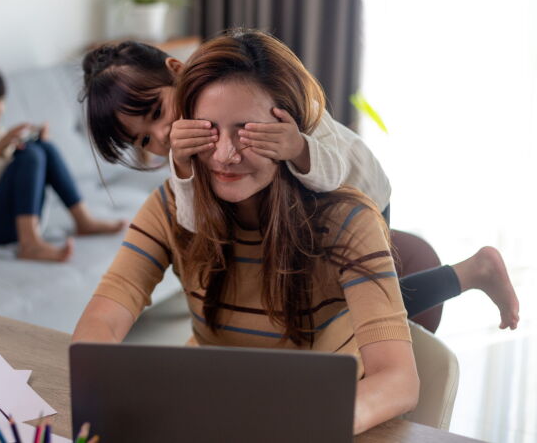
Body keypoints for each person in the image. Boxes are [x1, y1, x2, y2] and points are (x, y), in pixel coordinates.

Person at [74, 30, 421, 434]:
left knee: (394, 303)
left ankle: (462, 275)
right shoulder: (171, 203)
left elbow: (398, 379)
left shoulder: (346, 213)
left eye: (245, 130)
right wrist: (101, 388)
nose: (224, 154)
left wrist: (308, 425)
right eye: (208, 131)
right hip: (212, 410)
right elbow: (103, 318)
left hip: (320, 408)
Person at [79, 35, 519, 330]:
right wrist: (181, 164)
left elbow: (337, 164)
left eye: (157, 112)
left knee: (353, 306)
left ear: (177, 70)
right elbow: (192, 224)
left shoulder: (255, 90)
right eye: (142, 141)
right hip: (293, 217)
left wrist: (297, 147)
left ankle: (472, 272)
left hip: (356, 191)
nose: (159, 135)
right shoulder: (186, 148)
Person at [0, 56, 123, 262]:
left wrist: (25, 147)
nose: (0, 110)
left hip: (8, 218)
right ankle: (30, 243)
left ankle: (83, 221)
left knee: (42, 148)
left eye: (1, 102)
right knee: (30, 155)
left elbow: (14, 176)